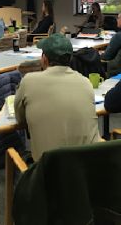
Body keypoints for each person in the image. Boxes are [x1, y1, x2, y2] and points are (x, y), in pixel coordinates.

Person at [14, 33, 101, 162]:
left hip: (48, 169)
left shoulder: (29, 81)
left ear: (44, 59)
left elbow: (20, 119)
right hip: (87, 166)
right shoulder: (85, 82)